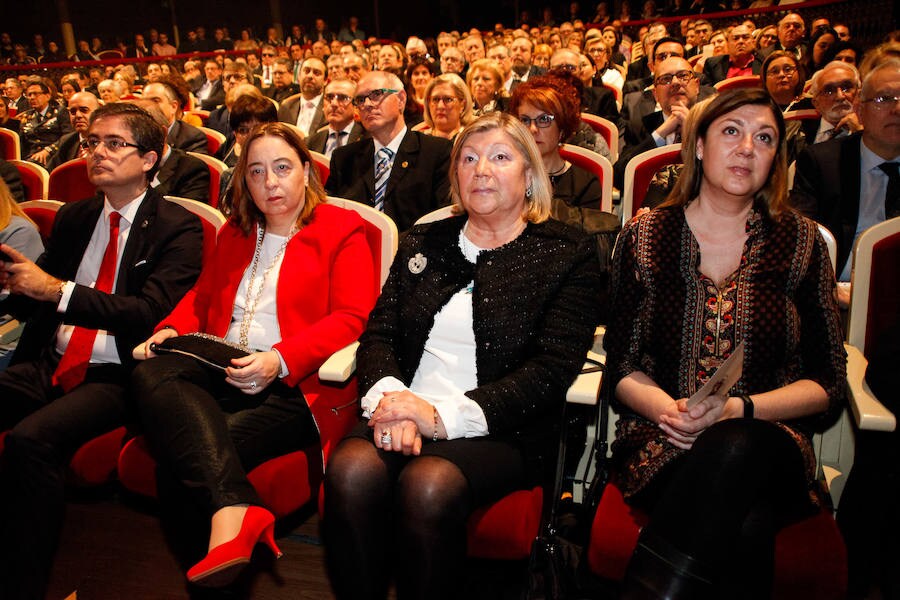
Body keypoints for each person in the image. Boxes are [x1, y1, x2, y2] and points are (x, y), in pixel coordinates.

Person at [322, 112, 604, 599]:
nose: (481, 170)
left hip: (500, 426)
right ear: (455, 176)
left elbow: (550, 370)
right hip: (403, 406)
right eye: (468, 159)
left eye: (500, 157)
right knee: (350, 471)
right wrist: (393, 402)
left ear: (530, 174)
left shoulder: (567, 252)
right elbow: (380, 335)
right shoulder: (423, 241)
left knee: (428, 485)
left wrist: (438, 417)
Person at [604, 89, 846, 599]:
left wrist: (739, 409)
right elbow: (620, 366)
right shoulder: (644, 237)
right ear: (698, 145)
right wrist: (671, 411)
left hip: (771, 436)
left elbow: (828, 383)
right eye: (731, 131)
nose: (746, 149)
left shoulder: (803, 242)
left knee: (734, 445)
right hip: (662, 435)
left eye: (764, 139)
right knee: (747, 522)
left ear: (776, 159)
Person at [132, 121, 377, 588]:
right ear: (244, 181)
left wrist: (279, 359)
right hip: (220, 368)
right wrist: (168, 329)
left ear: (306, 170)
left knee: (181, 462)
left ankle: (217, 568)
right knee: (151, 369)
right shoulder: (237, 232)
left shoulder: (344, 228)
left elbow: (353, 317)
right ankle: (235, 509)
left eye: (282, 168)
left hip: (293, 384)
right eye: (256, 172)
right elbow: (201, 299)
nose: (270, 183)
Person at [0, 102, 203, 600]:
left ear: (150, 159)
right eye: (92, 142)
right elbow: (38, 297)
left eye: (114, 144)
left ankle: (27, 588)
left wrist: (54, 290)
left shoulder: (179, 226)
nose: (97, 153)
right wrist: (13, 287)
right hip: (49, 359)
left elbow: (148, 313)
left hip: (117, 373)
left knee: (31, 441)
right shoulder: (75, 217)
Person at [790, 58, 900, 304]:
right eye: (884, 99)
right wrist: (827, 289)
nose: (897, 109)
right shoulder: (822, 162)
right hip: (838, 294)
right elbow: (798, 240)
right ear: (859, 109)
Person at [325, 70, 452, 232]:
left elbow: (441, 221)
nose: (368, 104)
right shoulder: (344, 158)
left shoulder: (436, 153)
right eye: (360, 100)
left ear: (401, 99)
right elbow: (329, 218)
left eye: (376, 94)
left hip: (413, 253)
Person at [510, 72, 604, 207]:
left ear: (562, 127)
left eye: (543, 119)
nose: (532, 129)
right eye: (524, 120)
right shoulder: (506, 175)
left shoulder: (584, 184)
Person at [421, 73, 475, 140]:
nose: (440, 106)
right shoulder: (419, 140)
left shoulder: (473, 139)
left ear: (462, 105)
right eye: (435, 99)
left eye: (448, 99)